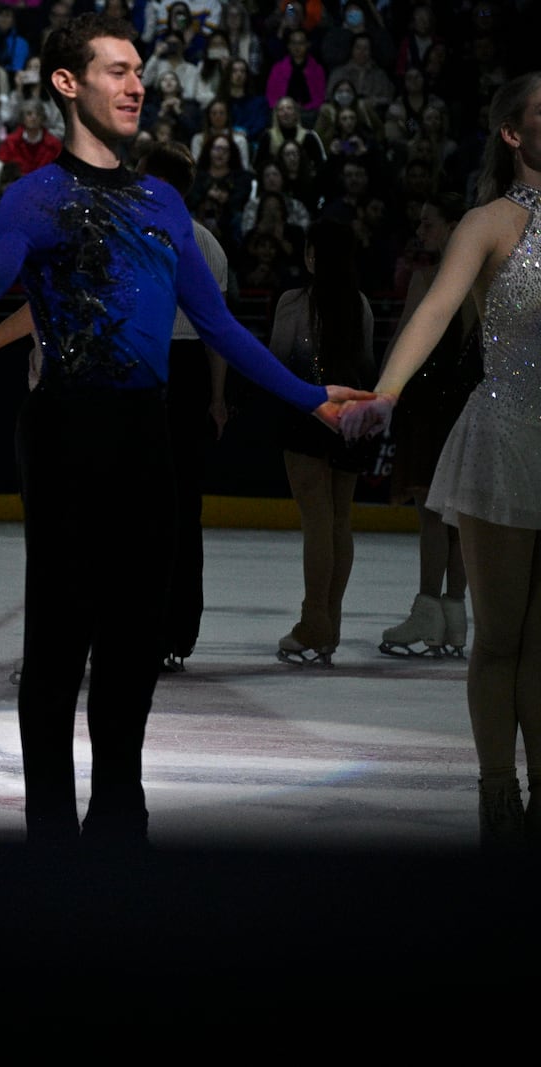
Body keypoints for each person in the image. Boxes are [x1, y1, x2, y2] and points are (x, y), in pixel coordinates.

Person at [0, 14, 365, 848]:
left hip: (144, 434)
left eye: (142, 72)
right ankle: (51, 833)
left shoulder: (163, 201)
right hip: (63, 427)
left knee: (134, 638)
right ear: (68, 83)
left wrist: (308, 396)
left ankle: (120, 819)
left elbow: (222, 329)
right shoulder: (31, 198)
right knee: (59, 637)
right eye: (118, 70)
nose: (139, 85)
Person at [340, 72, 541, 851]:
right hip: (507, 438)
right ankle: (499, 797)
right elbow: (432, 307)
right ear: (512, 134)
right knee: (499, 636)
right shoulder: (490, 222)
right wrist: (386, 392)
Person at [137, 141, 231, 673]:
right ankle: (174, 631)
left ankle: (145, 627)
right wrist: (217, 396)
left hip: (152, 367)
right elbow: (217, 329)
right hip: (190, 371)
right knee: (181, 509)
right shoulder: (207, 243)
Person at [377, 194, 480, 659]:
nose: (421, 231)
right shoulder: (487, 277)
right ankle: (454, 614)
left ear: (455, 226)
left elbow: (404, 340)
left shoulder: (428, 279)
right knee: (458, 516)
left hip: (430, 409)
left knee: (432, 514)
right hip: (471, 404)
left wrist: (380, 394)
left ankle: (426, 609)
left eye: (429, 223)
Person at [269, 220, 375, 667]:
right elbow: (368, 365)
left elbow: (274, 363)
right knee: (338, 522)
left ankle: (314, 622)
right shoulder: (361, 306)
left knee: (318, 522)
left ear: (313, 255)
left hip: (307, 417)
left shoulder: (295, 303)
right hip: (350, 418)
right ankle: (329, 624)